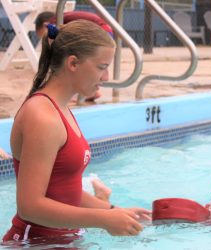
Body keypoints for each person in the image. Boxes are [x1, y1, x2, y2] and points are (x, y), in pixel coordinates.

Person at [2, 20, 151, 243]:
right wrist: (104, 219)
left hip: (61, 239)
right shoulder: (42, 117)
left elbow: (63, 190)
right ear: (73, 63)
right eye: (102, 67)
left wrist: (113, 211)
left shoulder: (60, 109)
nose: (106, 77)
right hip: (34, 243)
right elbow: (30, 207)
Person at [35, 11, 114, 103]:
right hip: (105, 30)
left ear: (46, 25)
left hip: (102, 31)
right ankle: (92, 93)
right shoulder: (65, 18)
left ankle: (91, 92)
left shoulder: (56, 21)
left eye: (42, 34)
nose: (45, 38)